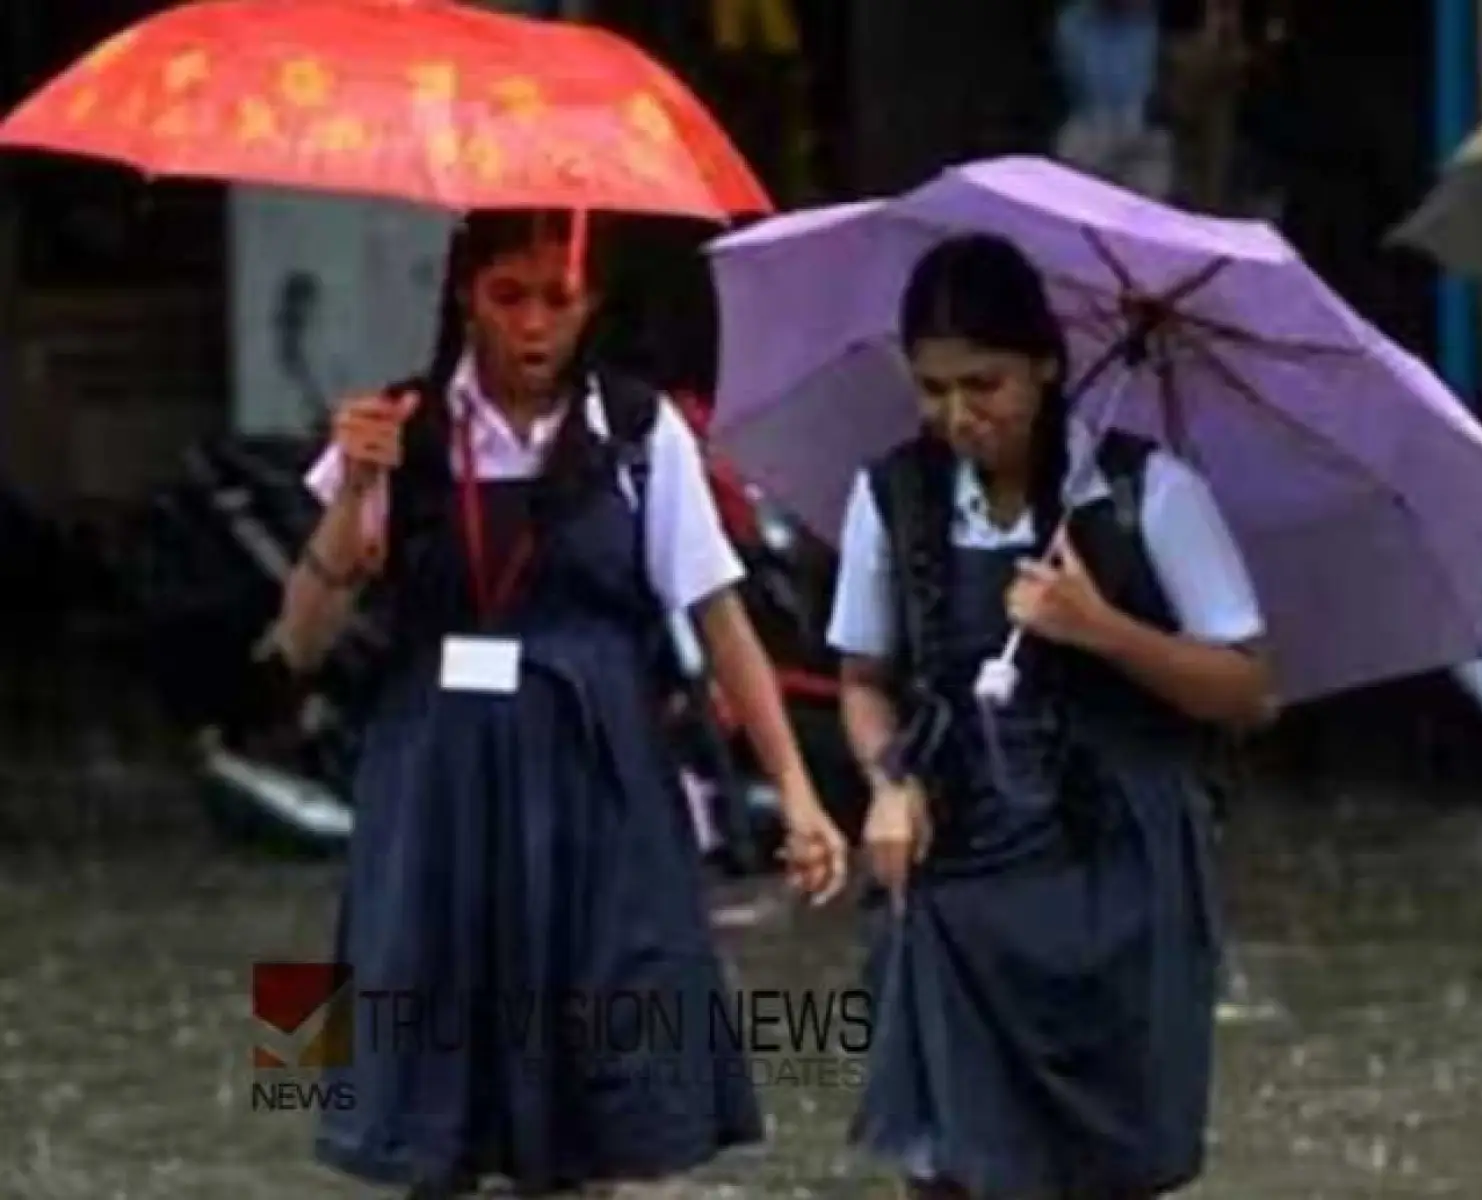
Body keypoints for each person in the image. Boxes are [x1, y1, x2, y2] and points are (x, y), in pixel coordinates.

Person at [270, 210, 850, 1198]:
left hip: (595, 781)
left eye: (559, 298)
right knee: (435, 1088)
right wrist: (349, 497)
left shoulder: (634, 430)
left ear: (591, 304)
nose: (534, 324)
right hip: (438, 784)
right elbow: (299, 641)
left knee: (602, 1094)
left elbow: (718, 621)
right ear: (465, 297)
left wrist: (797, 790)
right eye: (509, 296)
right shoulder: (397, 430)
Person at [828, 233, 1273, 1198]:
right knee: (952, 1167)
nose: (957, 415)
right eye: (933, 388)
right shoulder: (892, 497)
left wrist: (1104, 629)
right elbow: (864, 676)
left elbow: (1246, 689)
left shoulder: (1147, 493)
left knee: (1104, 1167)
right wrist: (888, 783)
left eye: (983, 384)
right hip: (959, 866)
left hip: (1118, 872)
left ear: (1046, 365)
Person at [1054, 0, 1178, 199]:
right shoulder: (1075, 21)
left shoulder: (1152, 19)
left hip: (1144, 132)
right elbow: (1082, 83)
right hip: (1092, 126)